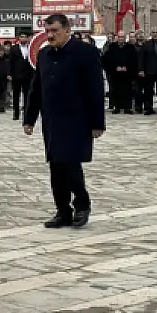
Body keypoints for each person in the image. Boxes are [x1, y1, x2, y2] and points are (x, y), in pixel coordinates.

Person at [22, 14, 105, 229]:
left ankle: (82, 205)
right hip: (52, 119)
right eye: (47, 31)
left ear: (67, 30)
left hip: (77, 119)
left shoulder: (85, 53)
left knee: (70, 163)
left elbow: (95, 89)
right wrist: (29, 118)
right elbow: (36, 89)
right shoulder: (45, 54)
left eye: (55, 31)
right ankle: (62, 210)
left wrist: (97, 123)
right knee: (56, 166)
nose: (50, 36)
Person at [102, 33, 137, 114]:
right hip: (115, 73)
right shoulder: (112, 47)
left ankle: (127, 107)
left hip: (127, 74)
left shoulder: (130, 47)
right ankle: (116, 106)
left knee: (127, 90)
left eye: (123, 37)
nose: (121, 38)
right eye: (120, 37)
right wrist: (115, 67)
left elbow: (133, 60)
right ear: (117, 37)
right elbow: (107, 59)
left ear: (125, 38)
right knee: (115, 90)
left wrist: (126, 67)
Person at [138, 30, 157, 115]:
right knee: (148, 91)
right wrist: (141, 70)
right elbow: (141, 58)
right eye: (153, 32)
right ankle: (148, 108)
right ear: (151, 34)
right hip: (149, 71)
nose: (155, 34)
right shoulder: (146, 44)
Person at [9, 33, 34, 121]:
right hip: (16, 75)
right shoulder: (14, 48)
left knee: (27, 95)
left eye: (25, 37)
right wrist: (10, 74)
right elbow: (10, 62)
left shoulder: (30, 48)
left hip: (27, 75)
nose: (23, 38)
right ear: (19, 38)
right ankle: (16, 114)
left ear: (27, 38)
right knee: (16, 95)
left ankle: (26, 114)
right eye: (21, 37)